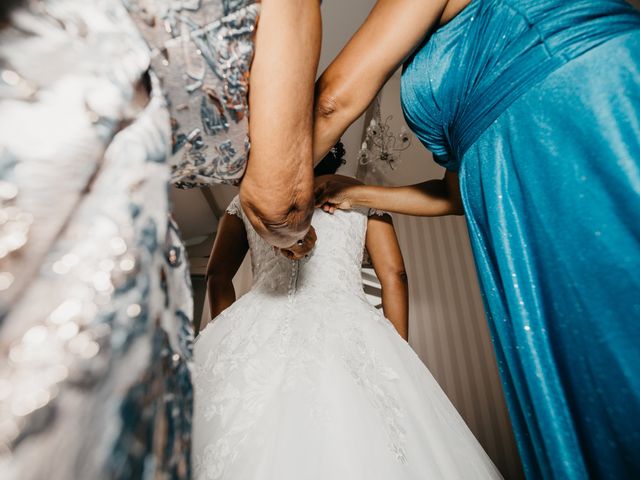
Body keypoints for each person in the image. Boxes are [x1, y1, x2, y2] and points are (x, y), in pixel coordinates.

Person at [313, 0, 640, 478]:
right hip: (504, 187)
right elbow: (455, 194)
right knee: (585, 376)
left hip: (578, 104)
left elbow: (332, 99)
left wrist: (283, 190)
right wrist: (359, 192)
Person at [192, 155, 502, 479]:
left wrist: (229, 336)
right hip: (343, 321)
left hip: (259, 319)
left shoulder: (252, 196)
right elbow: (395, 275)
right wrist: (394, 349)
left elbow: (216, 275)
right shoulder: (359, 193)